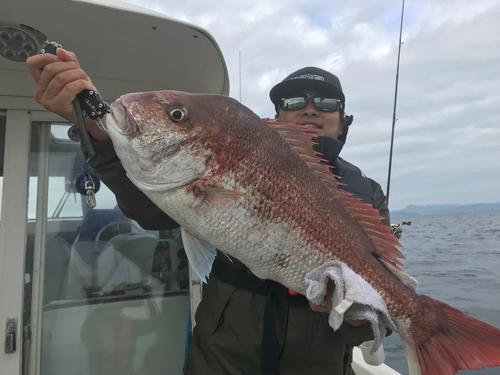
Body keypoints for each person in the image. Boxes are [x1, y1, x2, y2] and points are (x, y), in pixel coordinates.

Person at [27, 50, 390, 375]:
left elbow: (384, 311)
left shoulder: (368, 196)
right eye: (295, 100)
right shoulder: (234, 160)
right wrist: (98, 133)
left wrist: (353, 319)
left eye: (327, 102)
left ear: (344, 121)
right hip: (223, 361)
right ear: (276, 117)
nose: (310, 108)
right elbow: (153, 213)